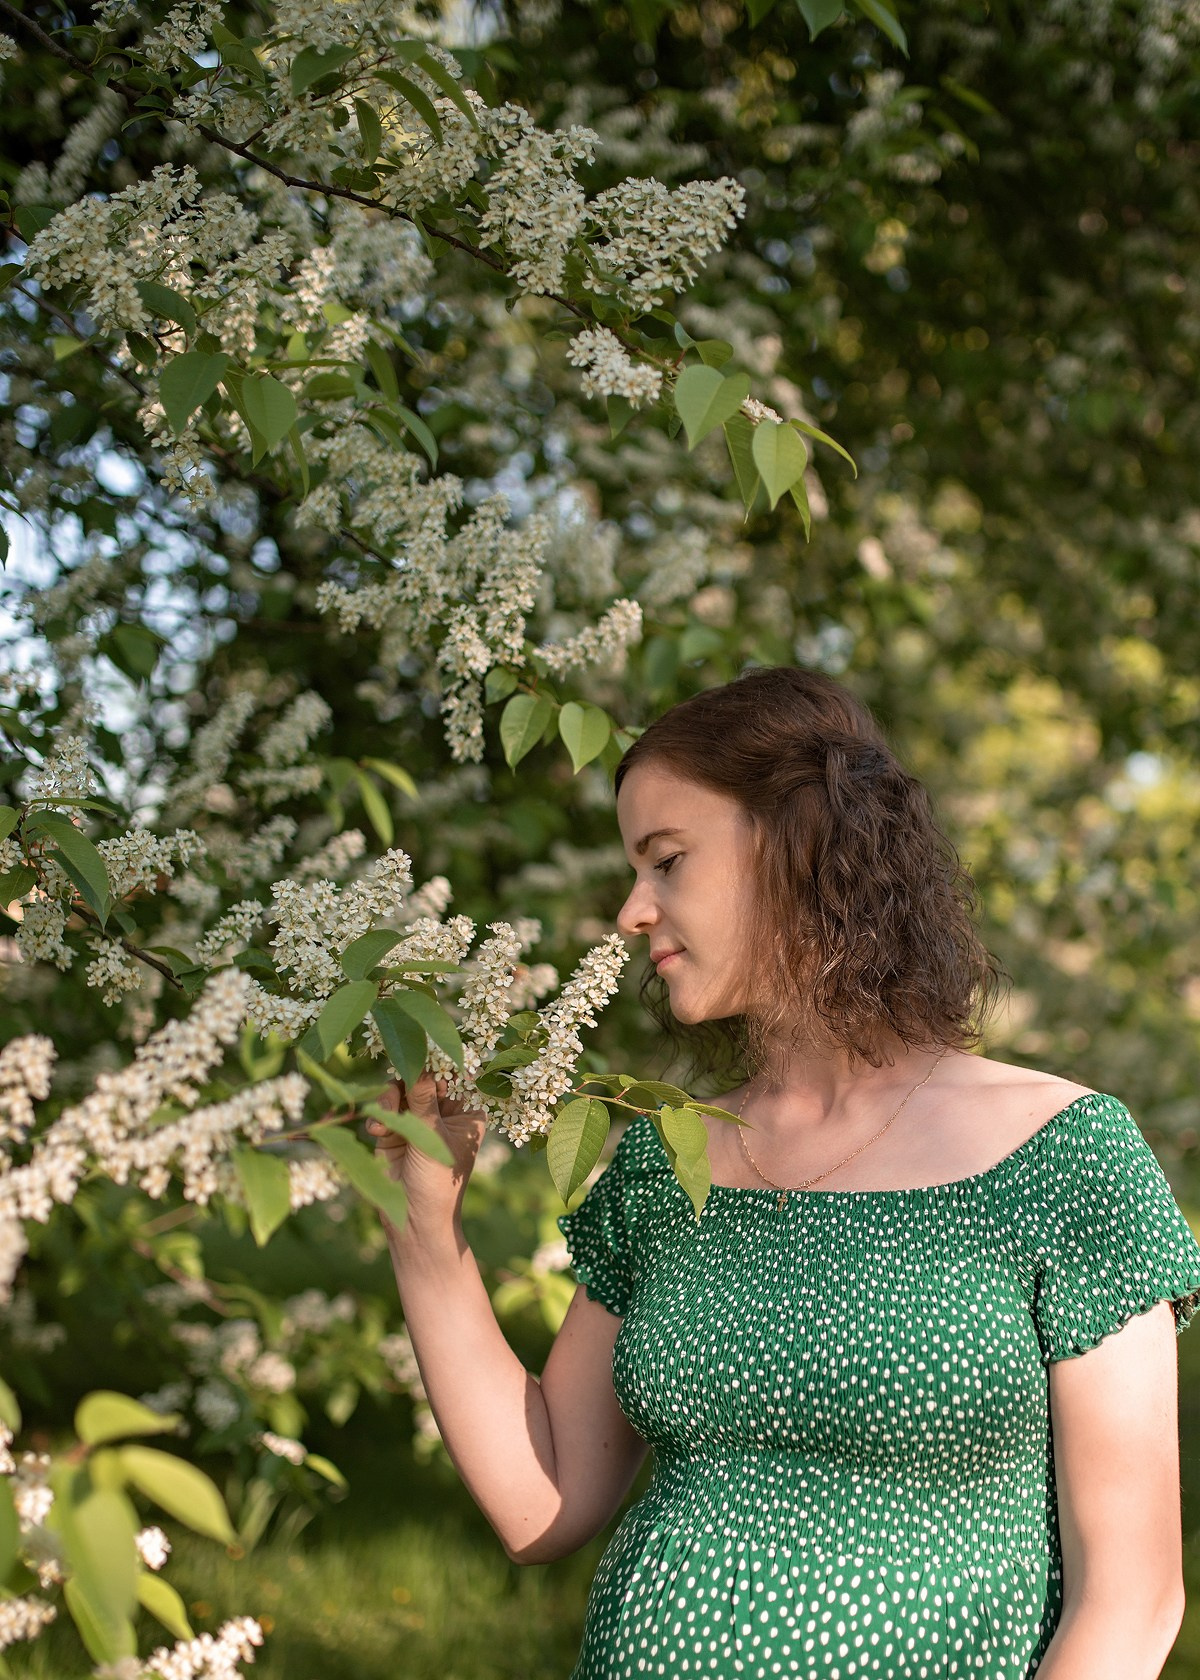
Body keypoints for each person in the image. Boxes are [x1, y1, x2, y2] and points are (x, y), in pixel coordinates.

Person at [366, 664, 1200, 1679]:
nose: (631, 912)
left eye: (667, 861)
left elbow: (1132, 1600)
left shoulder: (1065, 1156)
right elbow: (541, 1501)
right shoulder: (668, 1158)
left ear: (799, 845)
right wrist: (423, 1225)